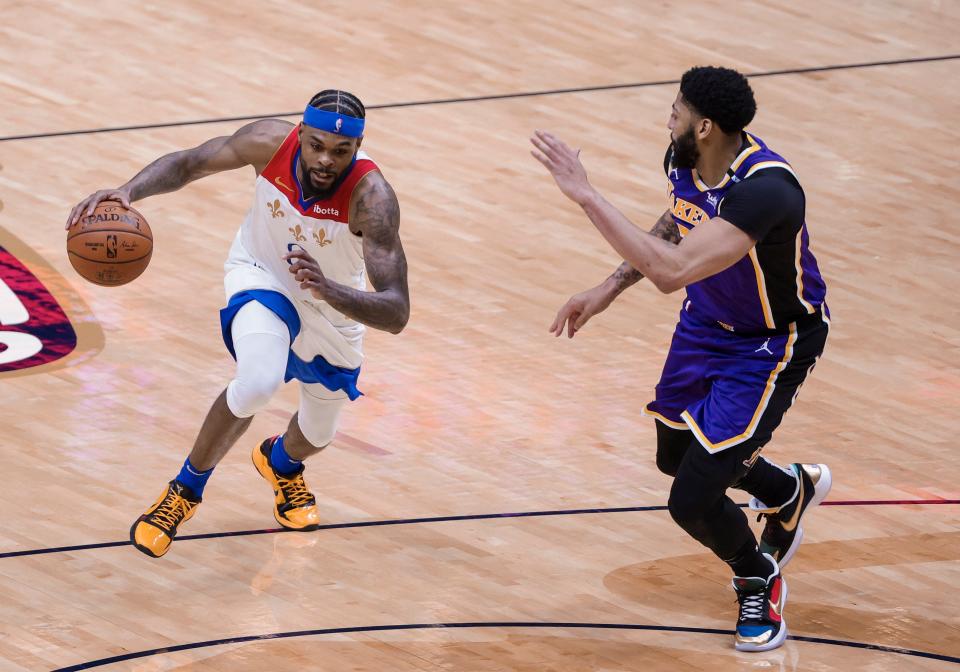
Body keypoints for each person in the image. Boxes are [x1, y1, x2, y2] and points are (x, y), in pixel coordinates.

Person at [531, 66, 832, 652]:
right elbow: (677, 223)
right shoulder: (683, 158)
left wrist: (587, 193)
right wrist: (607, 288)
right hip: (703, 326)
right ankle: (785, 490)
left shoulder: (767, 189)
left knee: (692, 499)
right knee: (676, 455)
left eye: (676, 110)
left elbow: (670, 272)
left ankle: (756, 575)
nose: (667, 118)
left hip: (770, 343)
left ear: (706, 125)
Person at [67, 90, 410, 559]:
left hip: (333, 303)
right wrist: (129, 191)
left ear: (358, 146)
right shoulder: (267, 142)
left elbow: (396, 311)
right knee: (257, 381)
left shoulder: (373, 198)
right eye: (315, 146)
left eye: (340, 151)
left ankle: (281, 463)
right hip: (262, 272)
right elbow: (190, 163)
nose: (325, 159)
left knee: (319, 431)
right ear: (301, 135)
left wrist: (330, 290)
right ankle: (184, 492)